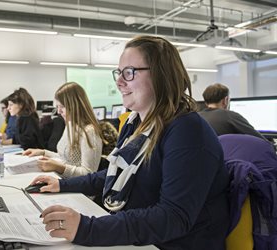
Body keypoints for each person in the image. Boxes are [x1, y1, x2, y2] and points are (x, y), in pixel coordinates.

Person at [30, 36, 230, 249]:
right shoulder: (136, 124)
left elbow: (173, 217)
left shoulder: (188, 132)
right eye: (119, 72)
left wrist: (88, 228)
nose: (118, 81)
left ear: (161, 75)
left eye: (129, 72)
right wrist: (62, 184)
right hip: (142, 237)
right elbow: (113, 174)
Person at [23, 82, 103, 178]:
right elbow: (65, 159)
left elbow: (89, 174)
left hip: (80, 190)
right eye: (57, 107)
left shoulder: (89, 132)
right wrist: (43, 152)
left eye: (62, 107)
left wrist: (58, 167)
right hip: (63, 181)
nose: (58, 111)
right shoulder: (70, 125)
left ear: (75, 106)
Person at [198, 83, 265, 140]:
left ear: (206, 102)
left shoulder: (197, 116)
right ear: (225, 100)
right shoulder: (229, 116)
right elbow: (259, 139)